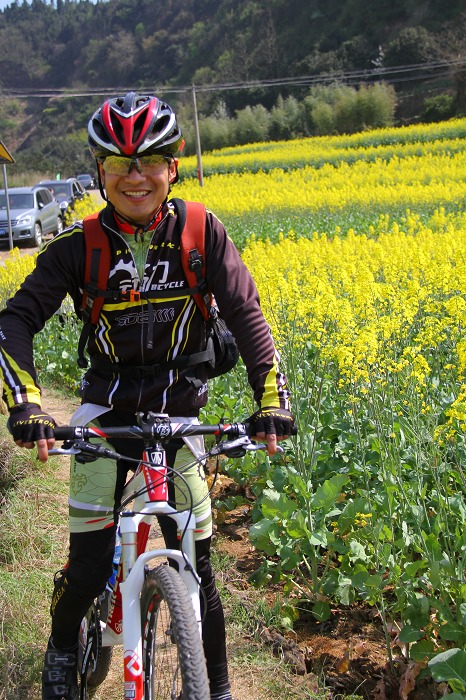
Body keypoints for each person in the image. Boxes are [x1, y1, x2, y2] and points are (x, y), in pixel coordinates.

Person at [0, 92, 294, 700]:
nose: (136, 176)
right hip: (105, 416)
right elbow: (14, 322)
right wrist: (26, 403)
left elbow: (246, 314)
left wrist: (272, 402)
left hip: (179, 415)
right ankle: (62, 646)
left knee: (201, 574)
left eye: (151, 161)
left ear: (172, 167)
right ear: (100, 171)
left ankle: (216, 689)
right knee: (87, 567)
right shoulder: (78, 246)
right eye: (118, 163)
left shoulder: (201, 232)